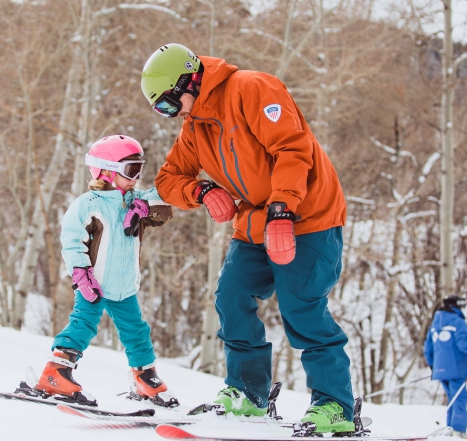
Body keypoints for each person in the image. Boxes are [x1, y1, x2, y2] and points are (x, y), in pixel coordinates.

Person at [142, 43, 354, 433]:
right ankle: (247, 393)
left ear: (190, 81)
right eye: (163, 111)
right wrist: (202, 191)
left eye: (171, 105)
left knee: (300, 306)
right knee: (231, 297)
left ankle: (335, 405)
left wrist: (282, 209)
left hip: (308, 215)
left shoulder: (253, 89)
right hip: (256, 219)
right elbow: (167, 180)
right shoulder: (195, 128)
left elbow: (293, 148)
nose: (173, 115)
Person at [34, 135, 177, 408]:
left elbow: (163, 205)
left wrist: (144, 208)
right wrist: (81, 274)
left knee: (137, 332)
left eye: (139, 169)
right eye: (130, 170)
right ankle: (56, 372)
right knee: (83, 325)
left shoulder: (135, 200)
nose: (136, 177)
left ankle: (145, 377)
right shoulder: (89, 205)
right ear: (106, 172)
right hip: (94, 285)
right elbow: (72, 241)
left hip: (125, 287)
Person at [424, 295, 467, 439]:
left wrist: (433, 365)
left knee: (452, 400)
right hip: (456, 368)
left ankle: (450, 431)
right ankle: (458, 432)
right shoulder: (458, 322)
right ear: (455, 306)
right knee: (459, 400)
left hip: (440, 370)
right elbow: (463, 343)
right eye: (461, 306)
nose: (462, 309)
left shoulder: (434, 323)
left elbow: (428, 348)